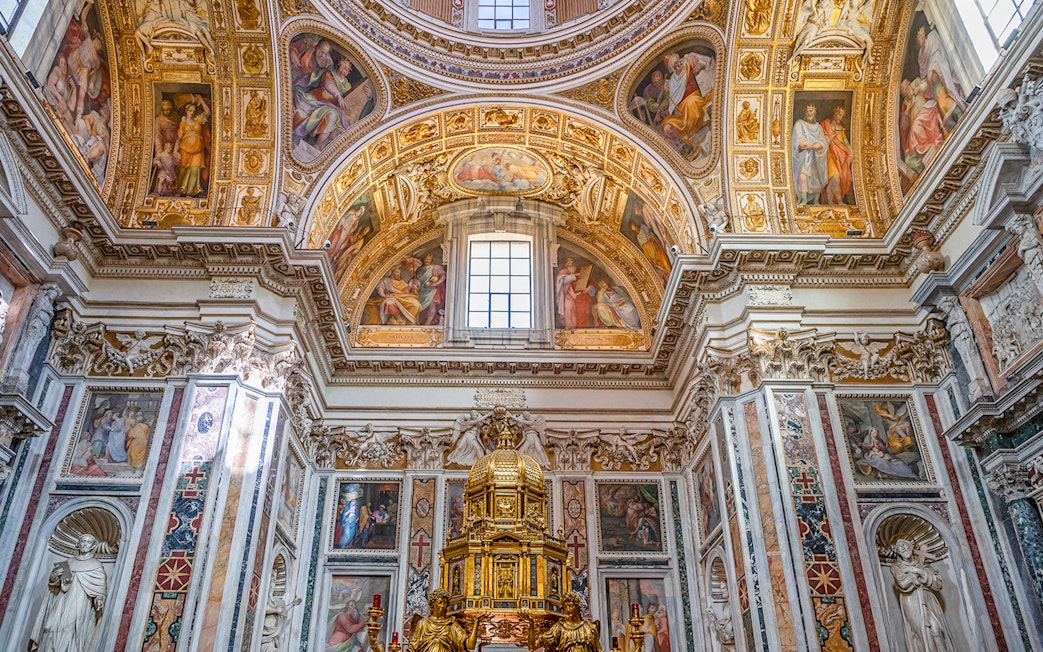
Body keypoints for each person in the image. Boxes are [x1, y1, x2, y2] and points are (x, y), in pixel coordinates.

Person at [29, 533, 108, 652]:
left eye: (88, 542)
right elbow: (55, 584)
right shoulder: (69, 562)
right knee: (50, 626)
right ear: (78, 543)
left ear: (92, 546)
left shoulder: (96, 565)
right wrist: (54, 576)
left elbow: (100, 587)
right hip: (63, 599)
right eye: (83, 541)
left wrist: (99, 599)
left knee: (69, 629)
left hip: (80, 601)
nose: (85, 544)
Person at [890, 537, 957, 652]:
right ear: (897, 552)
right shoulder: (896, 567)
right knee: (921, 633)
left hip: (929, 599)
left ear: (911, 546)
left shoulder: (922, 564)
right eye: (900, 548)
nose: (903, 549)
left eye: (905, 545)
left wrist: (920, 571)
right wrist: (921, 579)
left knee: (936, 630)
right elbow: (903, 584)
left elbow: (938, 583)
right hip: (911, 600)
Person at [660, 52, 714, 148]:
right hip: (681, 104)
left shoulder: (688, 63)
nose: (679, 64)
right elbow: (674, 98)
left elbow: (705, 61)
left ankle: (692, 131)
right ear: (673, 68)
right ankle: (689, 135)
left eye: (678, 61)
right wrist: (674, 110)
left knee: (691, 103)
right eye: (675, 64)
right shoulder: (673, 79)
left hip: (696, 95)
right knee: (670, 122)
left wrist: (699, 65)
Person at [409, 589, 488, 652]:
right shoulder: (423, 623)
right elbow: (413, 647)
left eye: (445, 603)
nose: (442, 606)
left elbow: (470, 645)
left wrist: (476, 623)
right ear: (433, 604)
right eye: (439, 602)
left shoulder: (452, 624)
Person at [525, 591, 600, 652]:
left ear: (577, 606)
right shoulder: (559, 627)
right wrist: (531, 624)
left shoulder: (589, 627)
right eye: (566, 606)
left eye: (571, 605)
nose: (568, 609)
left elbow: (598, 650)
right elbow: (532, 647)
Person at [791, 104, 828, 205]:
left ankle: (816, 201)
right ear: (805, 113)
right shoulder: (800, 124)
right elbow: (798, 138)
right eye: (807, 111)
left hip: (815, 158)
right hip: (804, 158)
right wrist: (803, 143)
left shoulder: (818, 127)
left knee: (816, 179)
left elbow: (823, 142)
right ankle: (804, 200)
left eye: (811, 111)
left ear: (814, 112)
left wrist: (814, 146)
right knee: (802, 177)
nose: (809, 113)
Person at [175, 95, 211, 197]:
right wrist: (175, 151)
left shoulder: (198, 121)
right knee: (182, 171)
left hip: (198, 150)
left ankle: (190, 193)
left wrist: (201, 99)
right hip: (185, 149)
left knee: (195, 170)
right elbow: (179, 138)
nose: (192, 112)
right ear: (186, 111)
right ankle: (178, 190)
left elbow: (207, 112)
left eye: (194, 110)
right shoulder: (182, 123)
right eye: (190, 110)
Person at [819, 105, 853, 205]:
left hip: (840, 157)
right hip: (828, 156)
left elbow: (846, 142)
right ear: (834, 114)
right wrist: (831, 137)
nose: (840, 117)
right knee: (835, 178)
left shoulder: (840, 128)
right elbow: (822, 140)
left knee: (833, 181)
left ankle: (829, 201)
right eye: (839, 114)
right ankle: (839, 201)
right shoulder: (824, 125)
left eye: (842, 116)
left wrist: (851, 153)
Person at [555, 258, 594, 329]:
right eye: (569, 262)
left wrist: (589, 288)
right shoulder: (563, 271)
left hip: (580, 294)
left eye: (572, 262)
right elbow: (561, 281)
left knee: (581, 311)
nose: (571, 264)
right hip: (568, 294)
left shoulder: (580, 271)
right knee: (569, 307)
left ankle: (579, 328)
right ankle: (570, 327)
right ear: (566, 264)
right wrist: (575, 275)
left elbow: (590, 281)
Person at [414, 253, 447, 325]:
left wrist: (435, 283)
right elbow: (418, 279)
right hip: (422, 290)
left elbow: (443, 276)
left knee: (432, 304)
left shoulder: (436, 267)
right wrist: (416, 284)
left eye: (429, 259)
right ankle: (418, 321)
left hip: (433, 289)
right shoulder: (419, 270)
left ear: (432, 260)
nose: (427, 260)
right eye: (426, 259)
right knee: (419, 305)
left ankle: (428, 322)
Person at [124, 405, 151, 471]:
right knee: (132, 453)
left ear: (142, 417)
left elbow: (145, 434)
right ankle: (134, 467)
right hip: (135, 443)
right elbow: (131, 434)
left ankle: (139, 466)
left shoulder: (145, 426)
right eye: (137, 416)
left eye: (140, 416)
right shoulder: (135, 424)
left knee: (141, 456)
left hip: (142, 443)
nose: (138, 418)